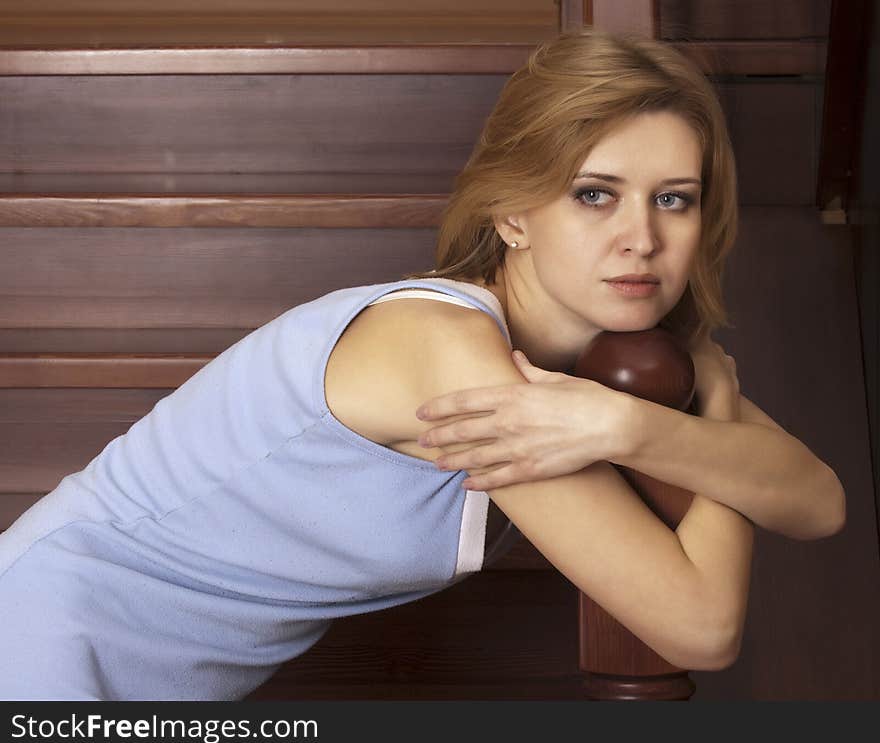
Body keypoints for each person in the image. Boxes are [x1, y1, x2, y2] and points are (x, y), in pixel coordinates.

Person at [0, 28, 845, 701]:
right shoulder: (447, 352)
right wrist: (700, 415)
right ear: (513, 211)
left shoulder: (604, 367)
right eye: (595, 193)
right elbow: (699, 628)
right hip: (44, 651)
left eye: (673, 198)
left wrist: (665, 415)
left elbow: (819, 501)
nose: (642, 237)